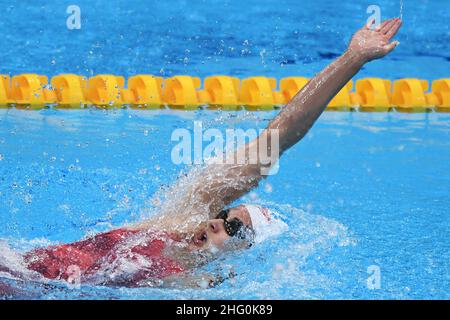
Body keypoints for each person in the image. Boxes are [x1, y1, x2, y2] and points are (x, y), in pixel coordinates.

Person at [18, 18, 402, 288]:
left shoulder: (196, 288)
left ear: (243, 251)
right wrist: (353, 59)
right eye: (223, 215)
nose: (218, 223)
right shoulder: (177, 221)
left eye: (234, 228)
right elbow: (277, 140)